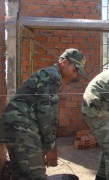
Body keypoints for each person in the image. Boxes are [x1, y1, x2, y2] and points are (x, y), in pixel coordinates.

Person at [0, 48, 87, 180]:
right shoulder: (53, 76)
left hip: (15, 127)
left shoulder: (48, 73)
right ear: (63, 62)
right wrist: (50, 148)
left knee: (22, 175)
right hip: (22, 128)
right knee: (35, 175)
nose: (75, 75)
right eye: (74, 70)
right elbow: (46, 114)